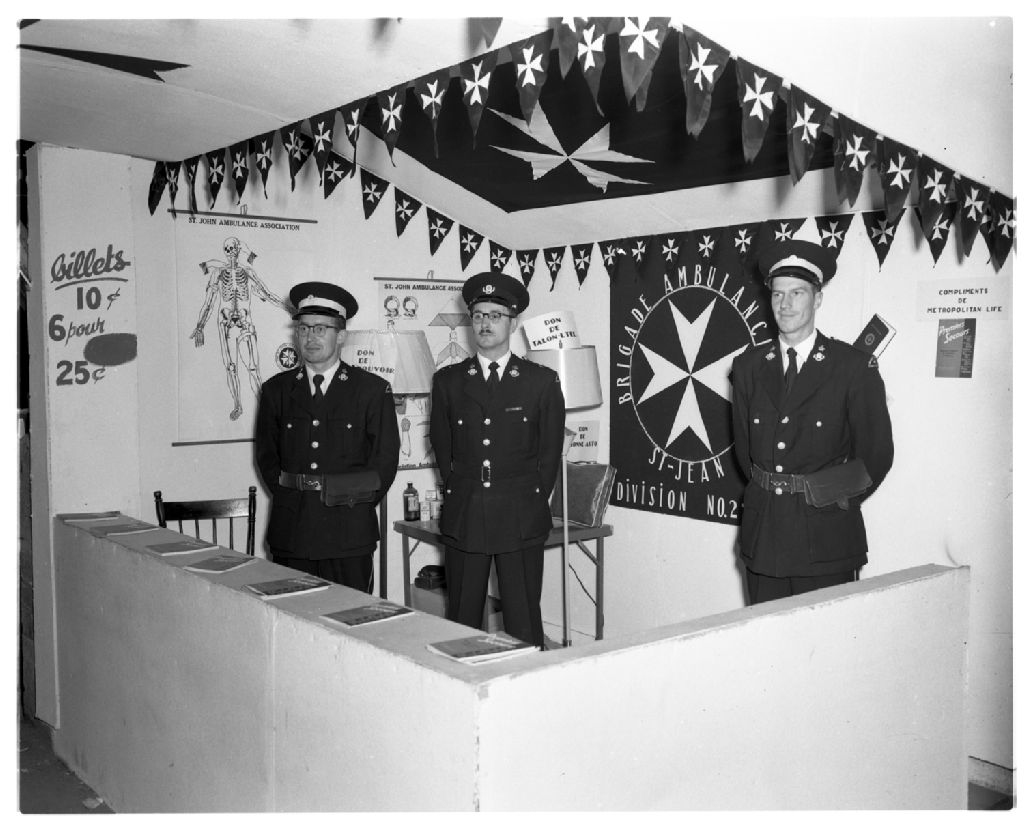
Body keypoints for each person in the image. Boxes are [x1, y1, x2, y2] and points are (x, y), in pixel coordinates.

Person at [730, 240, 894, 604]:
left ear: (817, 299)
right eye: (777, 294)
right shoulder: (748, 367)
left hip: (826, 538)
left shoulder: (852, 367)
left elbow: (876, 455)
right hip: (764, 535)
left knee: (826, 637)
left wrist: (826, 499)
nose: (785, 304)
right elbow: (745, 453)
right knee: (765, 634)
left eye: (797, 293)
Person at [429, 272, 566, 646]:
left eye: (495, 315)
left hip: (520, 515)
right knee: (462, 619)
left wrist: (531, 499)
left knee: (523, 620)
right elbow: (443, 448)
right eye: (478, 316)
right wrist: (462, 491)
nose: (485, 323)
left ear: (513, 322)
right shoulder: (449, 381)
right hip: (466, 513)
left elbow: (549, 456)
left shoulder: (540, 381)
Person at [255, 281, 399, 591]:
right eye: (304, 329)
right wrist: (292, 497)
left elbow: (384, 463)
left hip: (349, 533)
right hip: (292, 532)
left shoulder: (371, 391)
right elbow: (267, 459)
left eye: (321, 329)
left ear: (341, 335)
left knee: (352, 615)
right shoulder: (276, 391)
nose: (310, 337)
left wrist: (351, 502)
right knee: (290, 613)